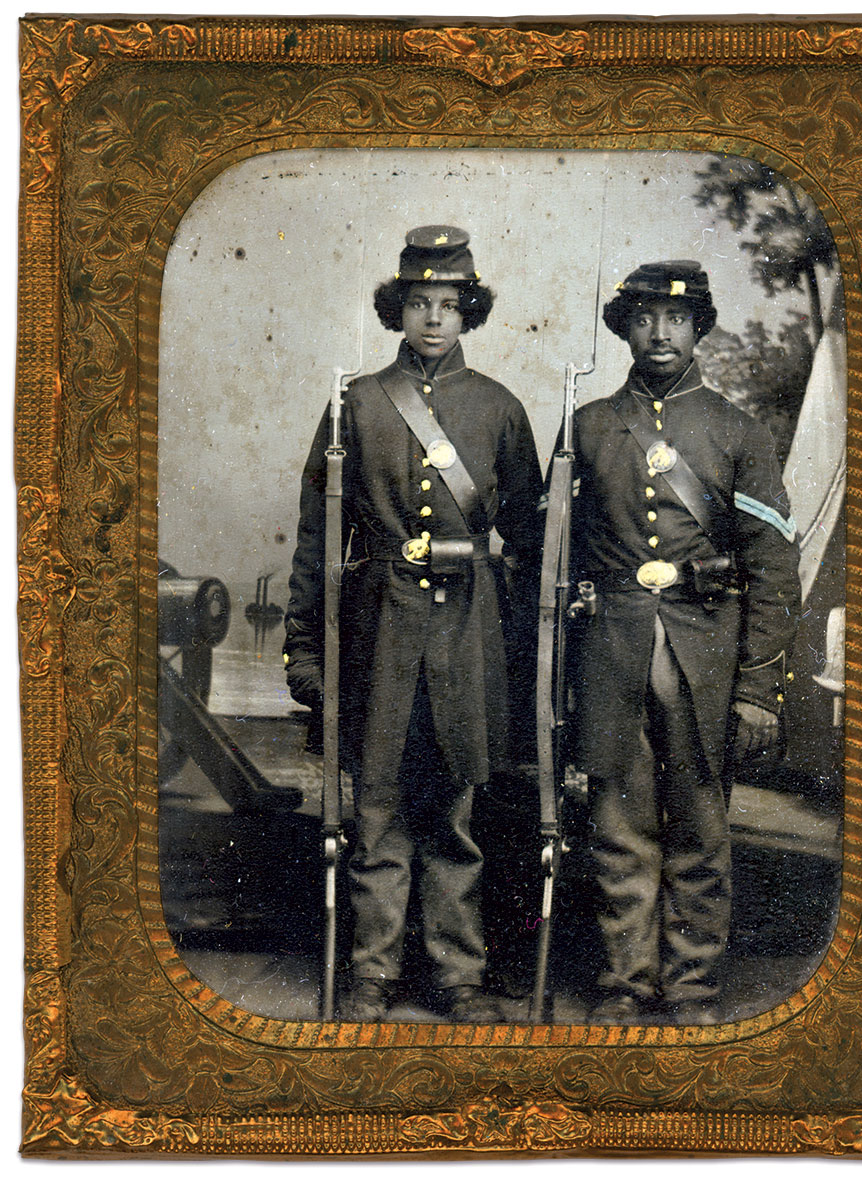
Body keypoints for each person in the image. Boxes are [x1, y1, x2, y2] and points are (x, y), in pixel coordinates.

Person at [283, 226, 542, 1023]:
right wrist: (303, 646)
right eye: (419, 304)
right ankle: (371, 973)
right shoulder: (355, 404)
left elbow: (530, 545)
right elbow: (316, 538)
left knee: (458, 814)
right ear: (398, 310)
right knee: (379, 809)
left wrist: (524, 658)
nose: (434, 319)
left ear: (470, 313)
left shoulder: (500, 408)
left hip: (469, 629)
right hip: (382, 629)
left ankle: (459, 977)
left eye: (449, 305)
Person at [566, 260, 801, 1025]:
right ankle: (627, 981)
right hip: (614, 650)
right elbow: (556, 557)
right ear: (624, 328)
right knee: (618, 829)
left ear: (699, 327)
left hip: (707, 656)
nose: (659, 332)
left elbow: (773, 569)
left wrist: (759, 688)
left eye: (675, 319)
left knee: (702, 827)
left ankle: (693, 983)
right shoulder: (591, 426)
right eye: (643, 318)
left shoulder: (738, 431)